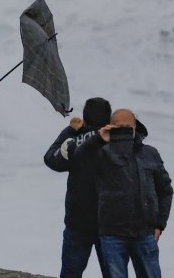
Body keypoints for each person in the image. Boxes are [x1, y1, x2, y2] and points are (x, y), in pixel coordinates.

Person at [73, 109, 173, 278]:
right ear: (111, 127)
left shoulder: (150, 153)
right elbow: (78, 160)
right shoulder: (101, 153)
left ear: (135, 127)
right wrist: (98, 139)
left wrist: (159, 224)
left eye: (128, 126)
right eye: (119, 127)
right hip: (112, 234)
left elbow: (165, 190)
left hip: (145, 232)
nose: (124, 130)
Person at [44, 97, 113, 278]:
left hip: (78, 221)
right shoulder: (117, 143)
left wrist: (70, 130)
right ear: (109, 118)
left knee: (71, 273)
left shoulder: (75, 143)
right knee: (114, 273)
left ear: (85, 117)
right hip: (110, 222)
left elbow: (51, 158)